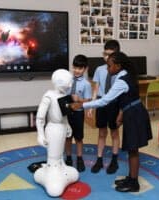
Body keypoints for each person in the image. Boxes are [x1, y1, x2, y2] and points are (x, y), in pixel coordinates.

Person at [70, 52, 153, 192]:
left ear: (118, 66)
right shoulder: (125, 74)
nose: (107, 69)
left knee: (133, 150)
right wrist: (122, 113)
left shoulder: (121, 81)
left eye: (109, 66)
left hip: (134, 115)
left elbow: (105, 100)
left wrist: (81, 105)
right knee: (132, 149)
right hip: (132, 111)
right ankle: (131, 177)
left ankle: (134, 183)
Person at [34, 69, 79, 197]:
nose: (70, 86)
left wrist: (67, 125)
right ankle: (51, 171)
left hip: (62, 128)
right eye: (68, 83)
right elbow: (40, 117)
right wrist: (41, 134)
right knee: (53, 155)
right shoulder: (49, 96)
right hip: (53, 129)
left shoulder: (63, 96)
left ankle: (61, 166)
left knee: (60, 154)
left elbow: (64, 114)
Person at [89, 39, 121, 174]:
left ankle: (114, 160)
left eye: (110, 54)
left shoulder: (120, 71)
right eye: (105, 54)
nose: (106, 57)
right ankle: (99, 159)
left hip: (114, 102)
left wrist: (121, 110)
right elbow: (96, 89)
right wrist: (91, 105)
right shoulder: (99, 69)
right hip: (102, 102)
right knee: (102, 132)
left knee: (114, 132)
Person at [65, 54, 92, 172]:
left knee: (79, 138)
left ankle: (80, 159)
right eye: (75, 67)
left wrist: (79, 99)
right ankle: (69, 158)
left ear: (85, 69)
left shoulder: (86, 84)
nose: (76, 71)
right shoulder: (67, 81)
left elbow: (88, 99)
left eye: (80, 68)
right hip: (67, 113)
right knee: (68, 137)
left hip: (78, 113)